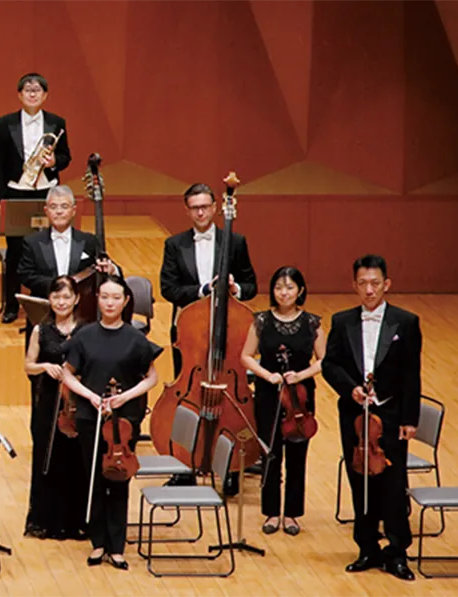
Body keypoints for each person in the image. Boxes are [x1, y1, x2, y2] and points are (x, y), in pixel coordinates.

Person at [324, 255, 420, 582]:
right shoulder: (341, 321)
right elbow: (330, 365)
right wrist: (350, 389)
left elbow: (411, 375)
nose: (369, 290)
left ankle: (397, 552)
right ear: (354, 286)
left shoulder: (406, 323)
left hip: (391, 414)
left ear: (387, 285)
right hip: (354, 416)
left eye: (375, 284)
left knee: (393, 485)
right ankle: (367, 548)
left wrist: (410, 419)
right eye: (362, 284)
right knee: (360, 482)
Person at [59, 276, 163, 570]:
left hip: (124, 420)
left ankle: (117, 546)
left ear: (126, 301)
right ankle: (98, 543)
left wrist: (125, 397)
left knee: (119, 477)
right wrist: (90, 396)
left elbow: (152, 378)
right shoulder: (84, 336)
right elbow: (67, 374)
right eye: (104, 297)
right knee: (92, 477)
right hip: (90, 416)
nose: (109, 303)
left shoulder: (136, 338)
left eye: (116, 298)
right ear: (98, 299)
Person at [239, 266, 325, 538]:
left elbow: (324, 360)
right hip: (268, 393)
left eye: (289, 287)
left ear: (300, 291)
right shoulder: (261, 321)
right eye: (278, 287)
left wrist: (300, 374)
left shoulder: (313, 323)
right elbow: (247, 355)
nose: (283, 292)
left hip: (300, 396)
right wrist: (267, 375)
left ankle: (292, 514)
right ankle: (272, 511)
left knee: (297, 454)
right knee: (270, 452)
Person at [0, 74, 74, 324]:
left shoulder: (56, 122)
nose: (32, 94)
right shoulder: (4, 123)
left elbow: (66, 157)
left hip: (46, 191)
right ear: (19, 95)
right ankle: (11, 305)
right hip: (16, 190)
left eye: (37, 91)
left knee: (47, 249)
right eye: (27, 91)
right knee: (15, 250)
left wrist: (54, 162)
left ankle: (49, 303)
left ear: (45, 95)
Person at [159, 183, 258, 371]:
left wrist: (234, 288)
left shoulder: (236, 242)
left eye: (205, 207)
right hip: (188, 326)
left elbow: (251, 286)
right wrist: (204, 290)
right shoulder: (174, 245)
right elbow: (168, 289)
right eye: (195, 208)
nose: (201, 213)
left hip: (228, 324)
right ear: (186, 211)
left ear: (214, 208)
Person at [22, 276, 86, 540]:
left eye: (66, 297)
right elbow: (28, 365)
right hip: (48, 402)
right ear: (49, 299)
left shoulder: (86, 330)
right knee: (45, 460)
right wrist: (44, 367)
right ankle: (45, 520)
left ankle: (75, 521)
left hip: (75, 403)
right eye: (56, 297)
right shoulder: (40, 329)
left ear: (76, 299)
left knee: (74, 460)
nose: (61, 302)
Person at [15, 185, 114, 302]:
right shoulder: (32, 242)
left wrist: (111, 269)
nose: (59, 211)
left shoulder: (89, 240)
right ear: (46, 211)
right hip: (45, 306)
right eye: (53, 207)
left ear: (73, 211)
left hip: (81, 307)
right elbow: (25, 275)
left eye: (64, 206)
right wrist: (58, 286)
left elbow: (106, 266)